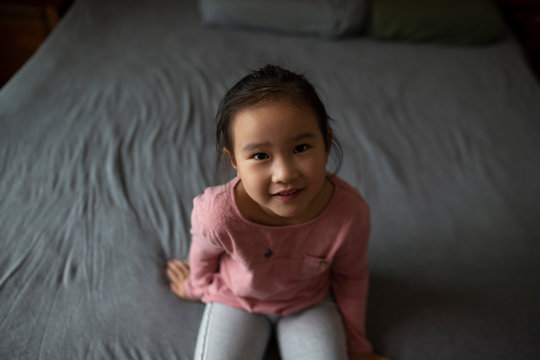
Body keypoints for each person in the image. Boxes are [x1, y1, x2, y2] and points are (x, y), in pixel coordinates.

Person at [167, 64, 388, 360]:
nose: (284, 173)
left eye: (301, 148)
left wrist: (358, 347)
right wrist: (193, 287)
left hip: (308, 304)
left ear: (326, 143)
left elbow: (352, 277)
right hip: (236, 300)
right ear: (234, 161)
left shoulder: (349, 214)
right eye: (260, 156)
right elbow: (203, 256)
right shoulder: (217, 214)